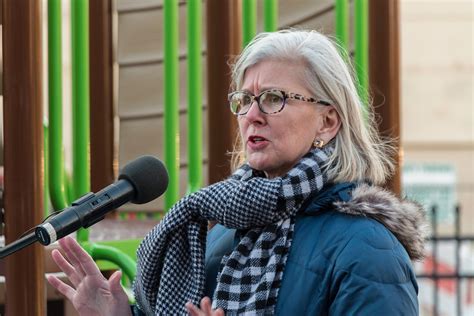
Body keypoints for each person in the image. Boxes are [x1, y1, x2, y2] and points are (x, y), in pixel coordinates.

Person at [47, 29, 427, 315]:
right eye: (245, 100)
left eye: (274, 98)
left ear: (327, 122)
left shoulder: (368, 250)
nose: (252, 115)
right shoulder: (224, 229)